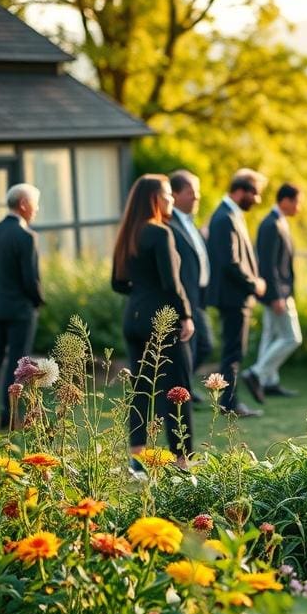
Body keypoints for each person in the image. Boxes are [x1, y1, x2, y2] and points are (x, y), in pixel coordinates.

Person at [111, 175, 195, 465]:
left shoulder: (127, 233)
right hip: (161, 320)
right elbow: (172, 283)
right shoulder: (160, 233)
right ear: (155, 200)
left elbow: (118, 283)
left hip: (133, 319)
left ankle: (137, 456)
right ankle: (182, 458)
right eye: (168, 195)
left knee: (142, 388)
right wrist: (186, 314)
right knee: (177, 389)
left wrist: (143, 292)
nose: (172, 200)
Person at [0, 183, 44, 429]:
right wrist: (38, 302)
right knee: (18, 364)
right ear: (24, 204)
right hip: (20, 311)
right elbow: (30, 279)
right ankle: (11, 417)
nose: (37, 209)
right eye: (35, 203)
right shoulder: (26, 236)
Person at [206, 168, 267, 417]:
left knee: (234, 351)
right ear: (241, 190)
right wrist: (254, 284)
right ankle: (229, 405)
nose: (258, 199)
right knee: (233, 352)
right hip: (232, 297)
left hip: (235, 296)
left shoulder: (231, 214)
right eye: (255, 193)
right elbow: (229, 262)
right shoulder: (224, 218)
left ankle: (228, 403)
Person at [248, 182, 303, 398]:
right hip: (277, 293)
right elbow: (268, 265)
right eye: (297, 202)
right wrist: (277, 296)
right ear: (286, 201)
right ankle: (257, 373)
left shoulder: (279, 222)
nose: (299, 207)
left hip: (279, 292)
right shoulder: (271, 224)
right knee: (292, 338)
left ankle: (269, 382)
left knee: (270, 336)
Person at [168, 170, 213, 401]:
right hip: (184, 299)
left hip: (199, 298)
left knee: (204, 345)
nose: (197, 197)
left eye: (198, 192)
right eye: (191, 192)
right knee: (191, 348)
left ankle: (181, 387)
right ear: (174, 194)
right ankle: (179, 391)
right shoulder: (170, 224)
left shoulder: (190, 222)